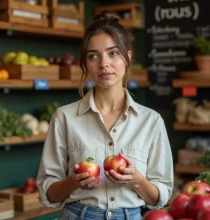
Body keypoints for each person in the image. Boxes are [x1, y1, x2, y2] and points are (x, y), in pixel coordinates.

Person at [36, 10, 174, 220]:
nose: (104, 63)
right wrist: (72, 182)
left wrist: (135, 179)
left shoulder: (151, 121)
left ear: (127, 58)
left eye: (113, 53)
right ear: (85, 64)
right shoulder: (64, 118)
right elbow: (49, 194)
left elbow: (159, 198)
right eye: (93, 56)